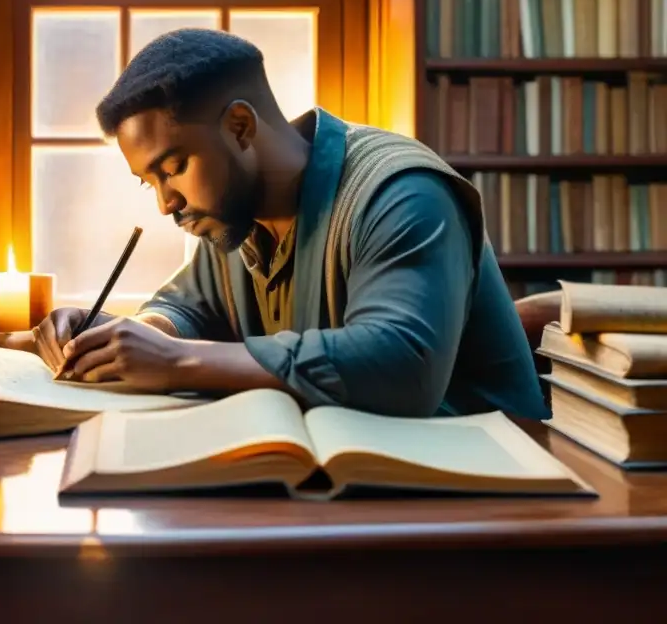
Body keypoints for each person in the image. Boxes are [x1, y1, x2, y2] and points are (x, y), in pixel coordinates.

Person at [29, 28, 550, 419]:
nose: (166, 204)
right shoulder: (232, 218)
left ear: (239, 126)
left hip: (480, 503)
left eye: (173, 169)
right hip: (349, 492)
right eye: (151, 182)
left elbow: (401, 362)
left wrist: (180, 362)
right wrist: (129, 336)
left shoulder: (403, 193)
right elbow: (185, 308)